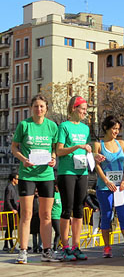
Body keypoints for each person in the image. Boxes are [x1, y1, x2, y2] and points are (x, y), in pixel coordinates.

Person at [11, 94, 59, 264]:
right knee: (27, 214)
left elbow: (54, 149)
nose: (39, 109)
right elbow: (14, 147)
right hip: (27, 175)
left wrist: (53, 158)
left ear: (46, 108)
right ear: (31, 108)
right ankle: (23, 251)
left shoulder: (52, 126)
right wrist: (23, 159)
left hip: (46, 175)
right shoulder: (24, 125)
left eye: (41, 106)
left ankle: (47, 251)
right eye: (36, 106)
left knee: (46, 215)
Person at [93, 115, 124, 258]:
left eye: (117, 129)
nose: (116, 131)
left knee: (123, 216)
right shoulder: (98, 144)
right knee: (107, 216)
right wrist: (106, 181)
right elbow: (97, 166)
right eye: (113, 129)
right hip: (105, 188)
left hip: (120, 187)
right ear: (106, 128)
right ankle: (107, 247)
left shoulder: (121, 143)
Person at [56, 95, 92, 261]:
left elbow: (88, 149)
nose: (85, 112)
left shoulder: (85, 129)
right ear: (73, 109)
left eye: (85, 110)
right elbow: (59, 151)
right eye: (82, 109)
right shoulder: (64, 126)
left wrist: (94, 156)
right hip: (67, 172)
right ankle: (65, 247)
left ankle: (76, 246)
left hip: (82, 172)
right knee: (67, 208)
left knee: (79, 209)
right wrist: (77, 146)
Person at [3, 173, 19, 252]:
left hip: (12, 211)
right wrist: (12, 209)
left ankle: (6, 245)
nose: (18, 180)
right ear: (13, 179)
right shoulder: (9, 188)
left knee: (10, 228)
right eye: (17, 179)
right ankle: (10, 245)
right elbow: (7, 200)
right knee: (10, 228)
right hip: (9, 211)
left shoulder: (12, 187)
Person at [51, 182, 61, 251]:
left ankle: (59, 246)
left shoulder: (60, 194)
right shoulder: (53, 194)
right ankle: (55, 247)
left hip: (60, 215)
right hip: (54, 216)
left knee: (62, 232)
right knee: (58, 232)